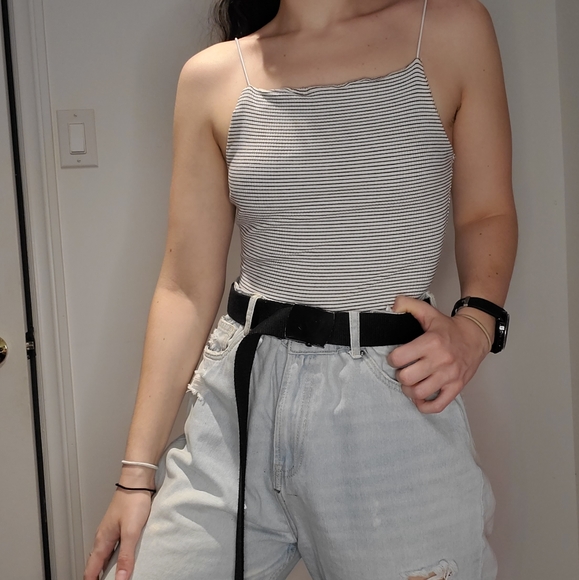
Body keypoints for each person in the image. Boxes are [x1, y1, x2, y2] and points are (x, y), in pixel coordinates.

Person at [84, 0, 517, 578]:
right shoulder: (212, 76)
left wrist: (477, 326)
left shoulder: (447, 31)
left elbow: (486, 212)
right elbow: (186, 287)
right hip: (237, 409)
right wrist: (136, 476)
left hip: (390, 404)